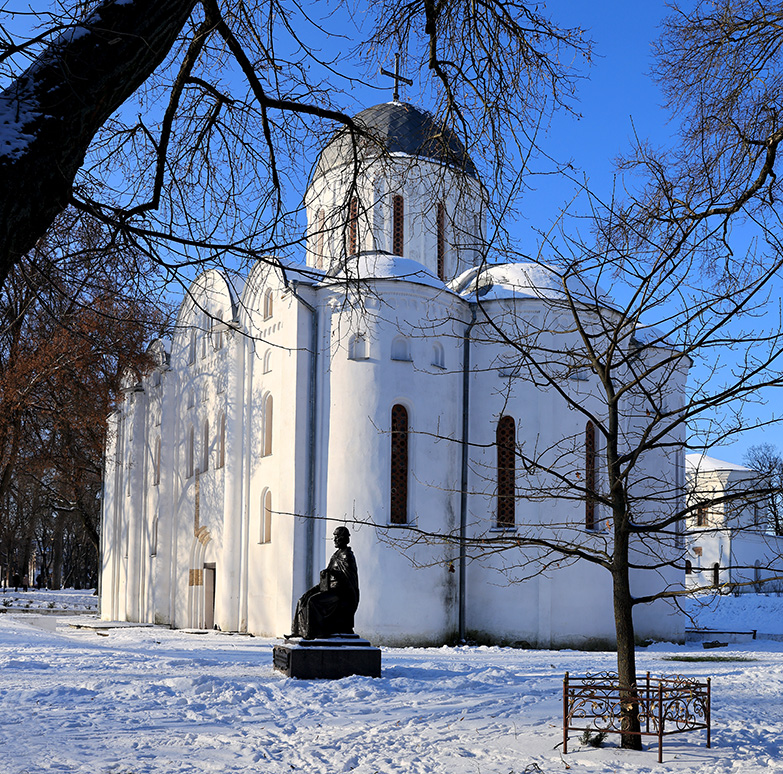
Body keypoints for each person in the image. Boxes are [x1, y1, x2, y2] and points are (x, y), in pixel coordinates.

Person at [289, 526, 359, 639]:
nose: (335, 540)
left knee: (313, 601)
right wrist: (317, 585)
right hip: (330, 589)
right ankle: (298, 631)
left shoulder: (347, 555)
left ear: (344, 538)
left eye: (337, 537)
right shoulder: (336, 555)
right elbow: (327, 578)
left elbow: (348, 579)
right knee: (302, 599)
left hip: (341, 593)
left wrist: (332, 573)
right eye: (334, 537)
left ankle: (315, 632)